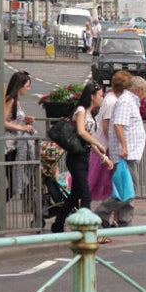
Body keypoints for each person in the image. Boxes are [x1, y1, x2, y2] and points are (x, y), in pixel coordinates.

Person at [52, 82, 113, 233]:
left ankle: (58, 224)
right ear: (92, 96)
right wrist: (98, 144)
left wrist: (103, 157)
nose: (102, 98)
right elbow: (81, 132)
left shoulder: (91, 114)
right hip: (76, 157)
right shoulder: (80, 110)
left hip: (84, 156)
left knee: (76, 194)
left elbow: (89, 140)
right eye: (100, 95)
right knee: (86, 194)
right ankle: (86, 228)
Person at [95, 76, 146, 229]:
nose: (145, 95)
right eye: (145, 92)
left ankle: (124, 221)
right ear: (139, 90)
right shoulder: (126, 101)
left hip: (130, 153)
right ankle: (101, 213)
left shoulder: (129, 101)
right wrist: (124, 147)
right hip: (127, 154)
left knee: (128, 188)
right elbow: (118, 125)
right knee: (128, 189)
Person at [90, 70, 132, 211]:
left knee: (103, 184)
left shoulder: (110, 98)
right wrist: (117, 144)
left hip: (103, 147)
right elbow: (107, 126)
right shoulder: (113, 101)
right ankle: (104, 214)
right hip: (105, 148)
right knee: (106, 184)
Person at [4, 71, 38, 218]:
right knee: (12, 184)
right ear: (20, 86)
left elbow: (15, 119)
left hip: (15, 145)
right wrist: (22, 128)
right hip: (7, 146)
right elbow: (2, 122)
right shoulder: (10, 100)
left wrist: (26, 120)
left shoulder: (17, 101)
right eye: (27, 86)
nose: (28, 89)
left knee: (14, 183)